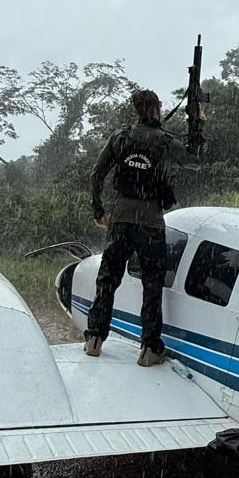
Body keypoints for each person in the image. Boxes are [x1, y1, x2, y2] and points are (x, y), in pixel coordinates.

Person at [84, 88, 199, 366]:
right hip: (150, 221)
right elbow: (194, 162)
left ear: (136, 109)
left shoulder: (120, 138)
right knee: (152, 283)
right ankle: (149, 348)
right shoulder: (166, 142)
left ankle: (95, 338)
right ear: (158, 108)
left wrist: (98, 209)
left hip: (121, 216)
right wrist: (198, 125)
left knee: (107, 280)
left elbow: (96, 174)